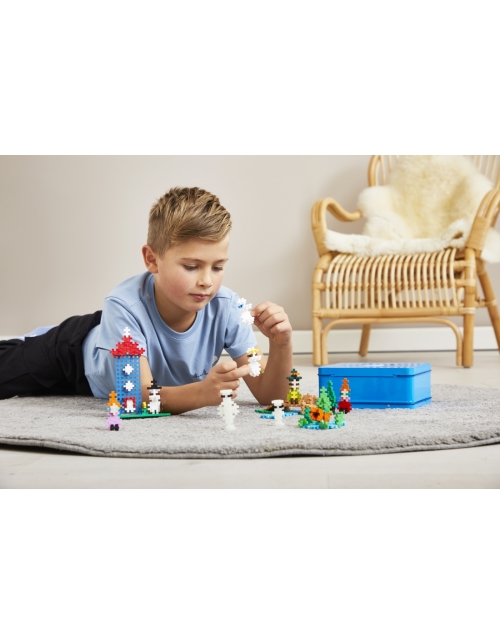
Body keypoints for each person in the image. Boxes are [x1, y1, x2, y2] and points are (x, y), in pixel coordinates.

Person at [0, 187, 293, 413]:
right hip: (72, 355)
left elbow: (271, 395)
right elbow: (135, 397)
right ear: (152, 259)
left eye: (217, 267)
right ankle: (32, 339)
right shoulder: (123, 305)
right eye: (192, 266)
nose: (207, 280)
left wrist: (281, 344)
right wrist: (201, 393)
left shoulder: (228, 308)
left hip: (101, 378)